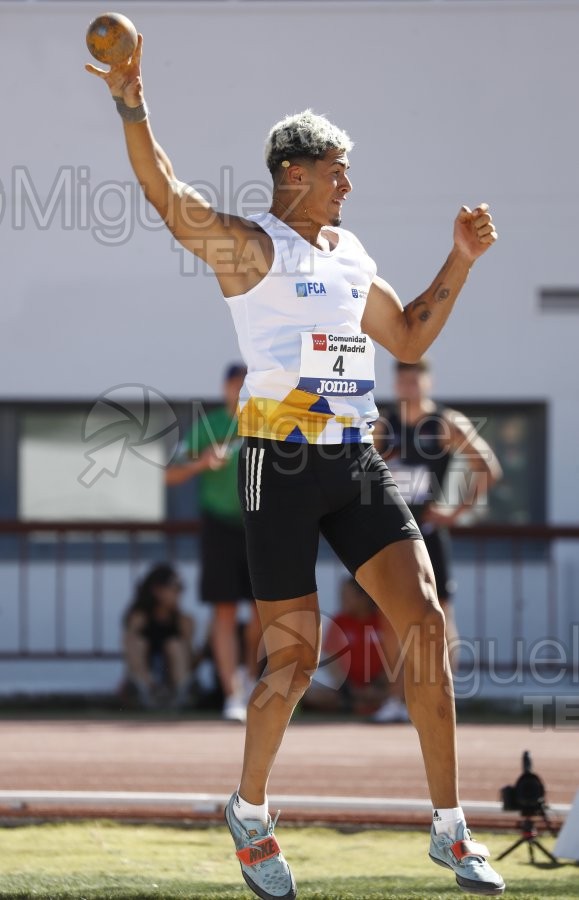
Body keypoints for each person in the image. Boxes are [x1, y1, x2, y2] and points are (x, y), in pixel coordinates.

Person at [87, 37, 505, 899]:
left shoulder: (350, 255)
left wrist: (458, 263)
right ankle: (250, 810)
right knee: (291, 656)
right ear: (294, 172)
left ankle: (450, 829)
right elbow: (166, 194)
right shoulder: (250, 247)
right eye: (337, 170)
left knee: (422, 620)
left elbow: (412, 336)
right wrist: (133, 104)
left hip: (353, 459)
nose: (349, 185)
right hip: (274, 465)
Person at [371, 357, 503, 722]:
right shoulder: (384, 423)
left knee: (441, 614)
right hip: (391, 533)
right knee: (388, 615)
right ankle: (395, 700)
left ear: (428, 382)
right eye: (403, 381)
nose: (408, 387)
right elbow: (359, 469)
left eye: (415, 381)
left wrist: (455, 512)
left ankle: (444, 698)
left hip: (429, 532)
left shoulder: (445, 422)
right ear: (396, 383)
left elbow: (488, 468)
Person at [165, 364, 260, 722]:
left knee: (262, 613)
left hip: (260, 524)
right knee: (223, 610)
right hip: (219, 526)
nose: (239, 392)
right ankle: (231, 693)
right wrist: (202, 463)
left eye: (246, 385)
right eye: (235, 386)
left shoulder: (270, 423)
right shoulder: (208, 425)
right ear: (224, 388)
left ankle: (251, 680)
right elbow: (170, 474)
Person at [302, 576, 398, 717]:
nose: (342, 600)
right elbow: (331, 659)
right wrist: (349, 688)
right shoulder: (339, 621)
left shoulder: (383, 621)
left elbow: (395, 657)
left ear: (364, 597)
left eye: (347, 596)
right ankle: (358, 703)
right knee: (310, 695)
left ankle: (369, 703)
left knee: (404, 690)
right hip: (347, 689)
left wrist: (377, 685)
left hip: (380, 686)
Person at [123, 562, 194, 709]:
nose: (178, 594)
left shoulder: (182, 620)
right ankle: (147, 692)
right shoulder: (140, 618)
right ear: (157, 591)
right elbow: (129, 648)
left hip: (174, 677)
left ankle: (181, 695)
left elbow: (190, 655)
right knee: (137, 642)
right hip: (147, 676)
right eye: (175, 589)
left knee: (175, 645)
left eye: (180, 589)